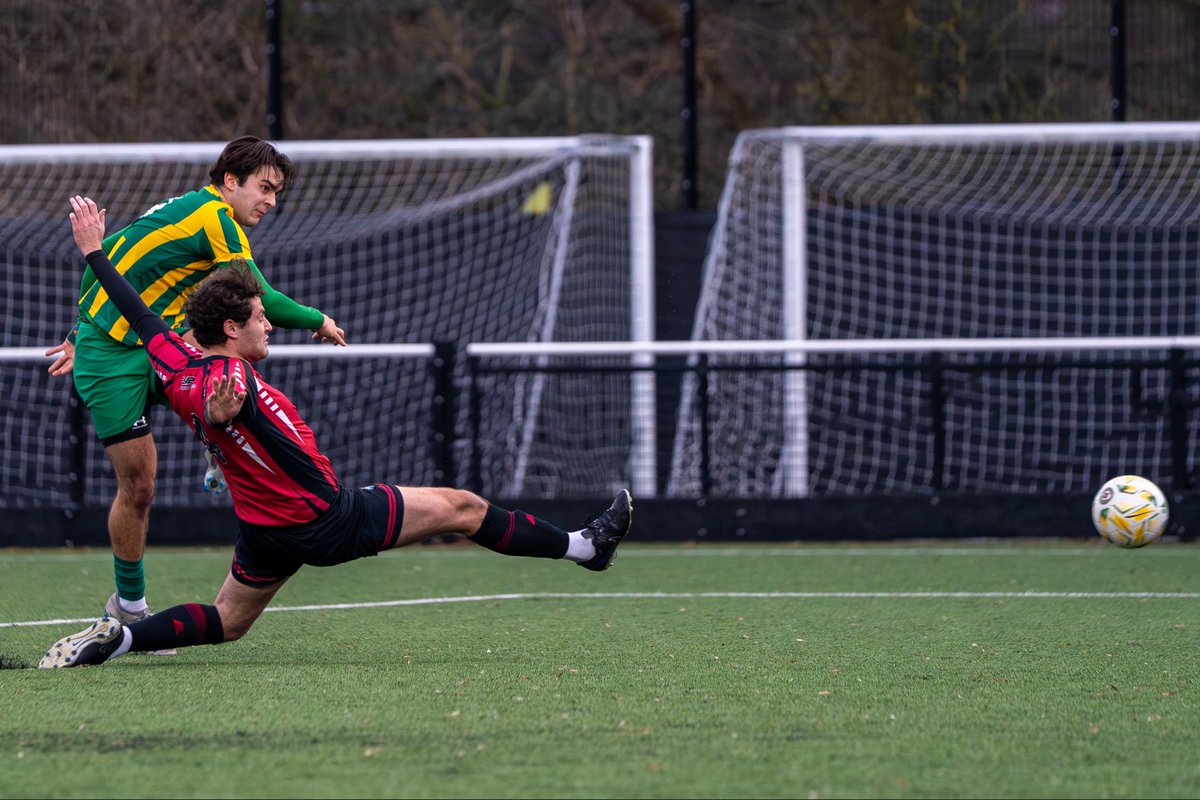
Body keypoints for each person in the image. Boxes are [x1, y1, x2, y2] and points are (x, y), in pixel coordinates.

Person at [39, 196, 632, 670]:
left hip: (265, 530)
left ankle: (118, 641)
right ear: (230, 327)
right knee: (464, 506)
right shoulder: (222, 379)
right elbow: (223, 405)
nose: (268, 322)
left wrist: (94, 252)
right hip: (323, 518)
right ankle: (586, 547)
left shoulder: (173, 357)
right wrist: (221, 415)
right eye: (259, 317)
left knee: (227, 621)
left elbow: (137, 312)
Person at [44, 138, 347, 635]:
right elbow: (260, 298)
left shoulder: (199, 212)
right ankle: (129, 604)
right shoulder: (215, 218)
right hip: (109, 356)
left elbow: (118, 255)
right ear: (230, 181)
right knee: (139, 485)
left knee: (221, 363)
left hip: (158, 339)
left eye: (277, 192)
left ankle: (215, 438)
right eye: (264, 188)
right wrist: (318, 319)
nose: (270, 201)